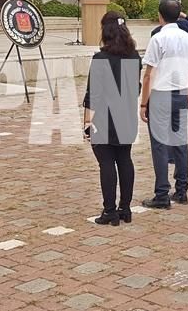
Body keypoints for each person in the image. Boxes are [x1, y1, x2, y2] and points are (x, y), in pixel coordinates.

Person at [83, 12, 140, 225]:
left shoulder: (101, 59)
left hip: (105, 118)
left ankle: (109, 211)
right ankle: (125, 208)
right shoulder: (134, 56)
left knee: (106, 163)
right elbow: (136, 88)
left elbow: (93, 95)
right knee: (125, 159)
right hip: (126, 116)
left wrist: (87, 123)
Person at [139, 0, 188, 209]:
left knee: (160, 145)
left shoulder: (158, 39)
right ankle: (181, 190)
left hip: (161, 93)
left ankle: (162, 193)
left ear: (159, 15)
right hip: (181, 91)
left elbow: (148, 74)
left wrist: (143, 103)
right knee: (180, 142)